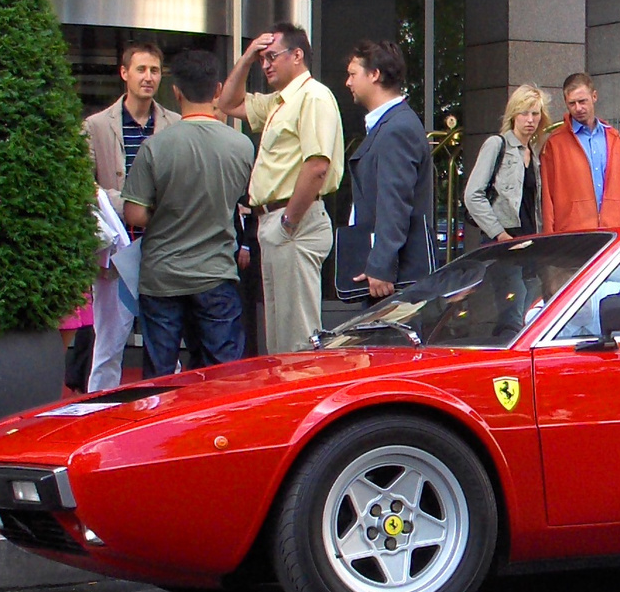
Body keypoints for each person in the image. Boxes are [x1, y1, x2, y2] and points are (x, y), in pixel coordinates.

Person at [121, 50, 255, 377]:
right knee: (221, 377)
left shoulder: (155, 146)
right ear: (218, 90)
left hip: (161, 276)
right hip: (216, 274)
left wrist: (166, 213)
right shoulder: (241, 146)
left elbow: (134, 213)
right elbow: (245, 201)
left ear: (176, 92)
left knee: (160, 378)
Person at [214, 22, 343, 353]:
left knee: (297, 336)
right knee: (280, 334)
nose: (266, 64)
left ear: (297, 55)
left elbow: (317, 165)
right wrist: (246, 56)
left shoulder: (313, 96)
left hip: (293, 219)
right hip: (275, 221)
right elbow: (227, 103)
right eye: (262, 59)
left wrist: (289, 221)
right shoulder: (278, 102)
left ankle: (303, 399)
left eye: (272, 56)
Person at [82, 41, 180, 390]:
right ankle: (98, 419)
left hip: (162, 248)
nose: (148, 77)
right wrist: (124, 203)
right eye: (141, 69)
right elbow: (84, 187)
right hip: (117, 252)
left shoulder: (175, 124)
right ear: (124, 73)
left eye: (154, 70)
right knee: (108, 347)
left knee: (167, 346)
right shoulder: (95, 126)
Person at [343, 40, 436, 300]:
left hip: (392, 280)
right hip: (388, 273)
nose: (347, 83)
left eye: (352, 74)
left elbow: (394, 202)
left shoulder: (397, 128)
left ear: (375, 75)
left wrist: (382, 265)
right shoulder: (392, 125)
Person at [538, 72, 620, 233]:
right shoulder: (555, 143)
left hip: (612, 232)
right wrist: (550, 237)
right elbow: (547, 198)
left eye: (582, 101)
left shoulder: (614, 139)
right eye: (572, 103)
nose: (578, 108)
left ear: (594, 96)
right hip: (572, 236)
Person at [463, 83, 549, 243]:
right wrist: (499, 234)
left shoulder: (535, 154)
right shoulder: (496, 144)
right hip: (503, 239)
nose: (530, 120)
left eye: (535, 114)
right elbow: (472, 195)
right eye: (524, 113)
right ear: (514, 115)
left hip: (530, 238)